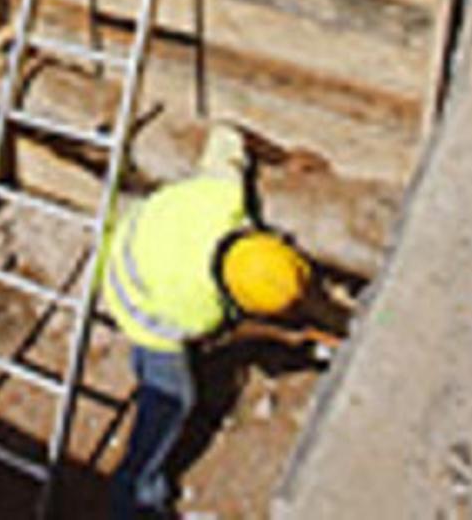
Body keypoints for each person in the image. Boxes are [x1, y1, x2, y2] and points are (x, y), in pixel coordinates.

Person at [101, 123, 314, 518]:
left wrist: (282, 157)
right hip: (134, 301)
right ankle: (135, 492)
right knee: (172, 398)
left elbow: (227, 134)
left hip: (126, 241)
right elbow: (228, 329)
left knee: (157, 368)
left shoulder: (223, 198)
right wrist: (289, 337)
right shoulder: (198, 308)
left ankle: (143, 373)